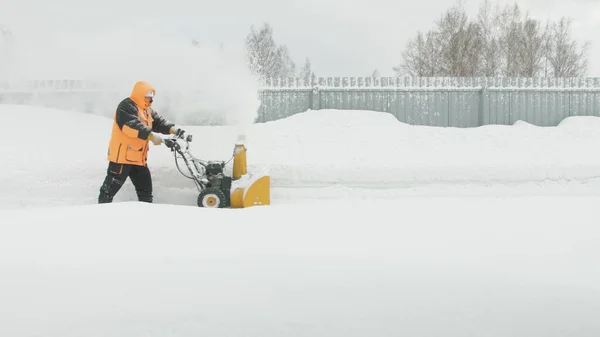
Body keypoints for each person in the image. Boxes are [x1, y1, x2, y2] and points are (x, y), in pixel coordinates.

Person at [98, 80, 185, 204]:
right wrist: (153, 137)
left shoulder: (146, 110)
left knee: (145, 192)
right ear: (140, 94)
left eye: (152, 97)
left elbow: (159, 122)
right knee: (108, 191)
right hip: (121, 159)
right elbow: (132, 127)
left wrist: (174, 130)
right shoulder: (127, 106)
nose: (151, 100)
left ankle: (145, 215)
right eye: (148, 97)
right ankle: (99, 213)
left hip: (138, 159)